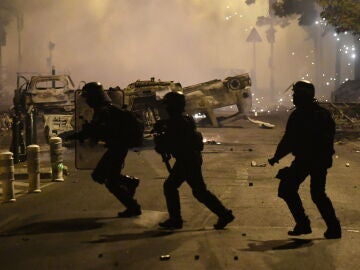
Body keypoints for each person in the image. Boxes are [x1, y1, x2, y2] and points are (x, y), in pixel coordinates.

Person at [268, 80, 341, 239]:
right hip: (318, 161)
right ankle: (333, 228)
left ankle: (303, 224)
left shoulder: (300, 115)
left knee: (287, 189)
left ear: (303, 96)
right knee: (318, 194)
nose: (293, 97)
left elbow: (289, 140)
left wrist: (276, 157)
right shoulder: (323, 114)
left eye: (296, 95)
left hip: (306, 160)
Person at [153, 91, 234, 230]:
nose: (165, 108)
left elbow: (172, 144)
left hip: (187, 160)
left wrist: (161, 141)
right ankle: (223, 214)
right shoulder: (184, 118)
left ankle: (178, 219)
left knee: (188, 189)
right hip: (190, 159)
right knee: (189, 189)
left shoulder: (176, 122)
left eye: (167, 105)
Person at [61, 82, 142, 218]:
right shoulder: (107, 109)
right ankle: (130, 183)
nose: (86, 100)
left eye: (88, 97)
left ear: (94, 97)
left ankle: (133, 205)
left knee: (110, 182)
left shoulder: (104, 111)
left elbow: (96, 131)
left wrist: (75, 135)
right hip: (116, 147)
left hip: (117, 148)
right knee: (102, 176)